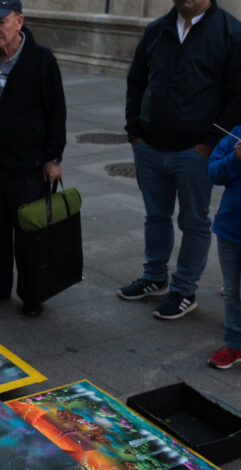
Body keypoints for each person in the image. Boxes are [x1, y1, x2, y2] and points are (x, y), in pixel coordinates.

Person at [119, 0, 241, 320]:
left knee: (194, 222)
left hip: (195, 152)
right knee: (155, 216)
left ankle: (184, 289)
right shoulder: (156, 30)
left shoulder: (230, 32)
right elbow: (136, 82)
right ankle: (155, 276)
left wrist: (212, 143)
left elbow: (237, 95)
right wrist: (135, 132)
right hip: (150, 146)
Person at [0, 0, 66, 317]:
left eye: (1, 22)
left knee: (29, 238)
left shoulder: (41, 60)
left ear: (19, 21)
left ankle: (32, 294)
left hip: (27, 167)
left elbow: (56, 112)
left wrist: (53, 157)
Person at [206, 127, 241, 369]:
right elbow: (213, 173)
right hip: (230, 228)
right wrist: (235, 158)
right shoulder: (236, 135)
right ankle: (235, 343)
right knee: (231, 290)